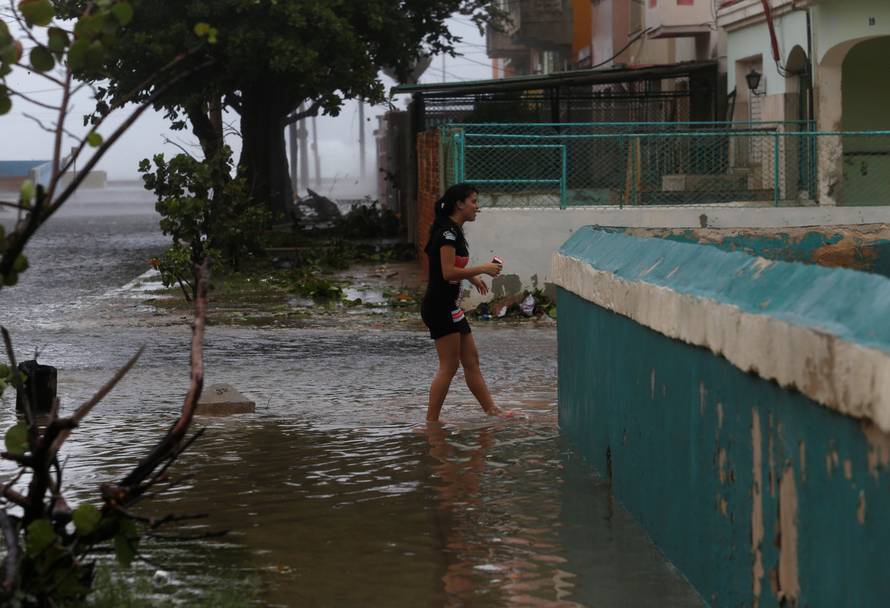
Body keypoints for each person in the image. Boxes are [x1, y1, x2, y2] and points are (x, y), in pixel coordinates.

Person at [421, 183, 506, 422]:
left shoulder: (454, 231)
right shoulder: (446, 233)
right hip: (439, 307)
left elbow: (448, 268)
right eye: (474, 202)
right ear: (460, 204)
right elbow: (447, 273)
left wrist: (472, 275)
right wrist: (482, 269)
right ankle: (431, 422)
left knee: (471, 361)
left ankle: (492, 410)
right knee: (449, 365)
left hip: (451, 307)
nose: (477, 208)